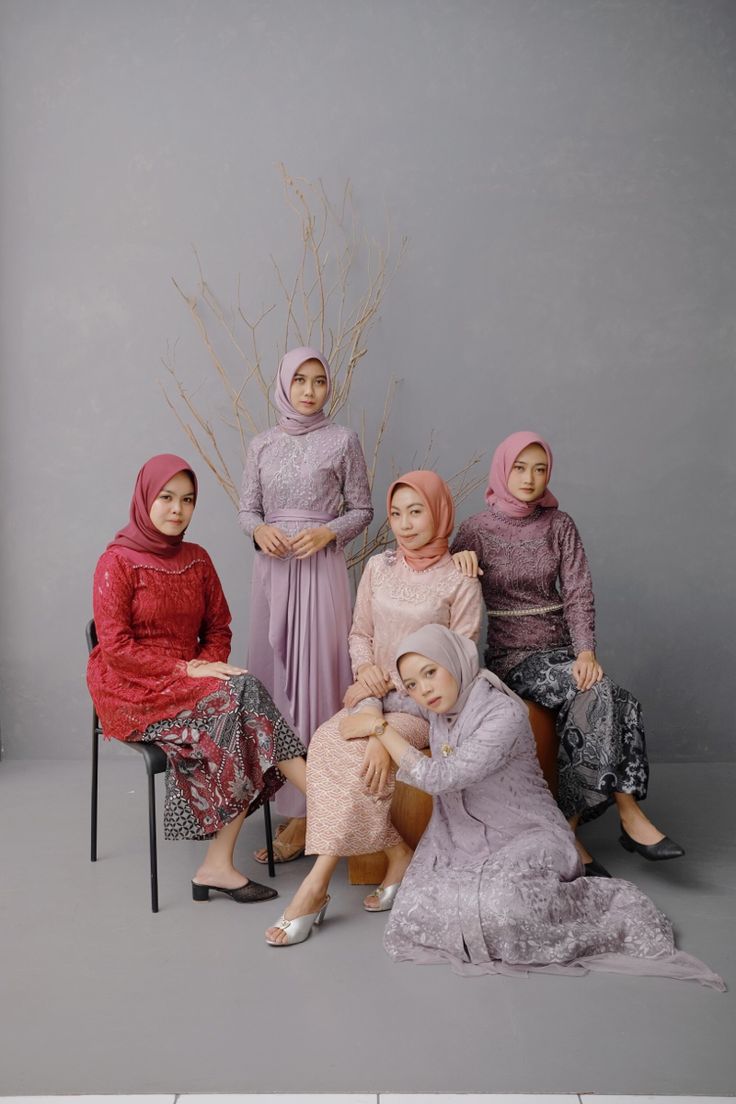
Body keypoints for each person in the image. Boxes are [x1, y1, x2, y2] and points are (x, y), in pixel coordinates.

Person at [372, 625, 723, 988]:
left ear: (454, 662)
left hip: (527, 832)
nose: (423, 689)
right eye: (412, 683)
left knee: (503, 907)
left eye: (430, 672)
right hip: (459, 836)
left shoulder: (501, 712)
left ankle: (588, 904)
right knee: (416, 911)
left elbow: (441, 777)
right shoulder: (436, 704)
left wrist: (382, 733)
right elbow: (373, 697)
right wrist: (370, 714)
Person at [264, 471, 483, 945]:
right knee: (324, 741)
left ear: (439, 511)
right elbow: (359, 633)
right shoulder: (380, 568)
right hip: (371, 697)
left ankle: (314, 886)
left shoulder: (459, 579)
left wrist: (389, 731)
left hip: (423, 709)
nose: (405, 524)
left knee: (360, 755)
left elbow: (461, 660)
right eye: (396, 513)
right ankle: (398, 854)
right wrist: (366, 681)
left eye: (416, 511)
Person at [451, 431, 683, 876]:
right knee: (604, 696)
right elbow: (444, 586)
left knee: (611, 695)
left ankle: (572, 828)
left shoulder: (560, 525)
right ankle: (626, 816)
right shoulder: (476, 530)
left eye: (540, 469)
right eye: (520, 468)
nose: (530, 478)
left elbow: (578, 594)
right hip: (513, 657)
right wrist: (455, 561)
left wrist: (586, 651)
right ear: (502, 470)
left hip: (561, 649)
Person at [87, 454, 307, 903]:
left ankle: (218, 866)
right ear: (145, 498)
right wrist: (188, 669)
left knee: (239, 705)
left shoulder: (197, 559)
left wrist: (206, 666)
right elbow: (116, 648)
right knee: (242, 697)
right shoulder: (116, 562)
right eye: (166, 498)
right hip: (131, 687)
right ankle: (329, 800)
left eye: (187, 500)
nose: (176, 509)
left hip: (194, 684)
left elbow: (219, 627)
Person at [238, 347, 373, 863]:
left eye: (319, 381)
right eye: (301, 380)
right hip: (273, 571)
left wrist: (328, 533)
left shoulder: (343, 441)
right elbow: (247, 508)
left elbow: (361, 507)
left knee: (320, 679)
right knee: (274, 678)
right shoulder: (262, 445)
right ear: (284, 385)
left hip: (320, 569)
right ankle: (287, 801)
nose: (311, 390)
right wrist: (262, 530)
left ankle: (317, 813)